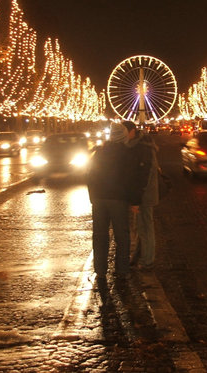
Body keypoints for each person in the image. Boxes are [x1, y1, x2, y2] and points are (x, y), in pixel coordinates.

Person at [87, 122, 147, 298]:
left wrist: (92, 196)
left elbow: (91, 174)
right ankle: (122, 270)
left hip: (99, 198)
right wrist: (135, 201)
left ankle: (100, 269)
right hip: (118, 198)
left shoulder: (99, 152)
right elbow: (132, 179)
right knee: (122, 235)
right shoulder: (127, 153)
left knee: (99, 235)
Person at [122, 120, 159, 270]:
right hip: (143, 192)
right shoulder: (141, 145)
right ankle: (139, 256)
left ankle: (147, 260)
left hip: (145, 194)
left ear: (131, 132)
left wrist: (136, 198)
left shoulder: (141, 148)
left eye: (125, 132)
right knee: (141, 227)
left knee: (145, 227)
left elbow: (143, 175)